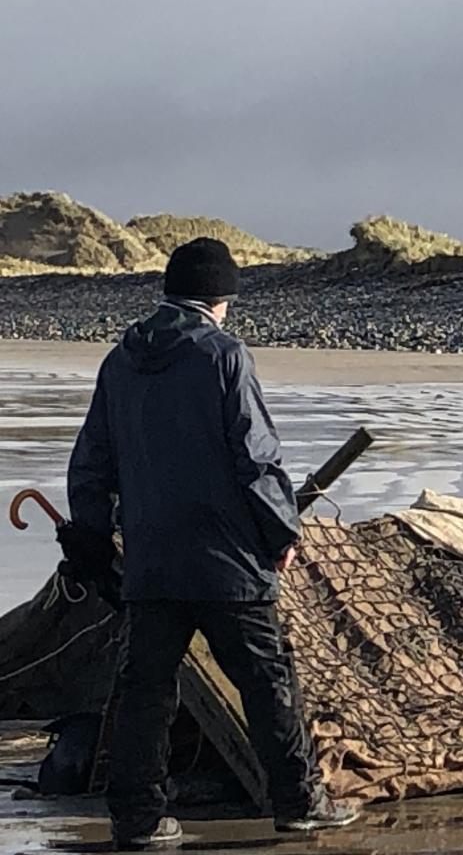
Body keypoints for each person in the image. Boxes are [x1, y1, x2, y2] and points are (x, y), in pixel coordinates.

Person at [65, 238, 360, 850]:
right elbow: (256, 460)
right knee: (267, 678)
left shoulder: (120, 360)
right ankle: (299, 802)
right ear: (221, 299)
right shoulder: (226, 357)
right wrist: (281, 533)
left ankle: (138, 819)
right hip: (227, 562)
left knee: (144, 689)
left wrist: (94, 539)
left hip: (150, 561)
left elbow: (91, 463)